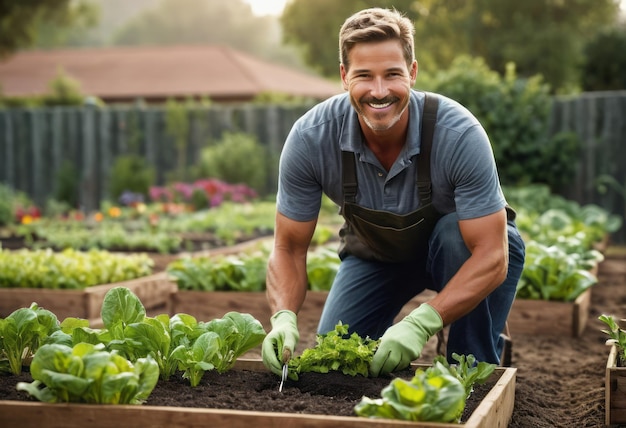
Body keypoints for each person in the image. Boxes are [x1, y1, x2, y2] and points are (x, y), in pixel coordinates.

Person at [261, 7, 525, 377]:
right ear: (343, 76)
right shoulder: (312, 138)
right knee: (339, 361)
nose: (379, 91)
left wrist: (422, 321)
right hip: (377, 257)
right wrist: (284, 316)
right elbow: (288, 247)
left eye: (393, 75)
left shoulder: (458, 133)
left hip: (460, 254)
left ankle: (473, 352)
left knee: (468, 365)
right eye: (364, 76)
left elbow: (492, 255)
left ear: (413, 73)